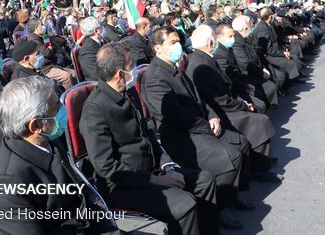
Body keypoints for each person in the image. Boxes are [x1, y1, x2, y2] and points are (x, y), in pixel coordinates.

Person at [81, 42, 220, 234]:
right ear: (120, 74)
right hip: (125, 183)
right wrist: (155, 180)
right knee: (184, 204)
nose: (136, 69)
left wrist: (168, 166)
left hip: (151, 169)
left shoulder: (127, 92)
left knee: (205, 180)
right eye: (131, 65)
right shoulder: (94, 111)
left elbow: (147, 136)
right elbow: (107, 167)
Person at [0, 77, 123, 235]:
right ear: (36, 125)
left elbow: (80, 200)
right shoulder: (6, 184)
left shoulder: (48, 142)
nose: (63, 110)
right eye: (57, 108)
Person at [141, 26, 250, 229]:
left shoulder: (175, 68)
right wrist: (206, 127)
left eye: (178, 41)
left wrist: (213, 116)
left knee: (241, 142)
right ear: (158, 49)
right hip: (182, 137)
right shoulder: (156, 77)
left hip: (199, 125)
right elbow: (177, 117)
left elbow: (198, 99)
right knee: (231, 155)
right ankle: (217, 208)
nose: (178, 46)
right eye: (172, 43)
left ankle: (230, 195)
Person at [187, 26, 279, 180]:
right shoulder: (202, 65)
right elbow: (218, 98)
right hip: (220, 111)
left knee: (258, 114)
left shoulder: (203, 59)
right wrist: (242, 105)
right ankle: (259, 169)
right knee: (260, 121)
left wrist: (240, 101)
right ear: (210, 42)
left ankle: (259, 160)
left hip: (224, 105)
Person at [231, 15, 279, 107]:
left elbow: (255, 52)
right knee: (270, 86)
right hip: (247, 74)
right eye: (250, 25)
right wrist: (261, 72)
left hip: (254, 68)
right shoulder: (237, 41)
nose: (251, 27)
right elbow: (244, 63)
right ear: (245, 27)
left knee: (274, 78)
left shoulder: (244, 37)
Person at [27, 17, 76, 90]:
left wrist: (51, 37)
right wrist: (49, 47)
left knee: (74, 73)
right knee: (66, 76)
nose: (43, 26)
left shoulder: (42, 35)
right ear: (36, 27)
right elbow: (47, 52)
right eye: (41, 24)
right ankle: (71, 96)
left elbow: (53, 44)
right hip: (46, 68)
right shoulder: (34, 39)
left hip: (52, 63)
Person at [78, 17, 105, 81]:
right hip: (101, 85)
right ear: (96, 31)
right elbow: (96, 75)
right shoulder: (86, 51)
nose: (103, 29)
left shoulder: (101, 41)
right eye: (101, 27)